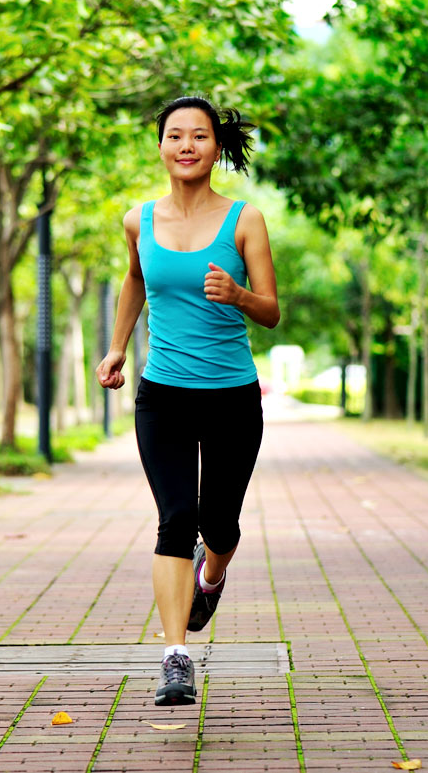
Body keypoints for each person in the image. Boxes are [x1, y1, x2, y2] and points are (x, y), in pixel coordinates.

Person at [96, 95, 280, 706]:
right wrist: (119, 346)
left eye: (199, 136)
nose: (186, 146)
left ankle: (213, 571)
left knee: (218, 524)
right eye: (175, 135)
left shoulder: (245, 220)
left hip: (231, 394)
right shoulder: (137, 220)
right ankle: (177, 658)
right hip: (164, 395)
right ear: (161, 146)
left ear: (216, 148)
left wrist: (238, 294)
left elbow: (272, 311)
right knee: (175, 518)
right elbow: (135, 279)